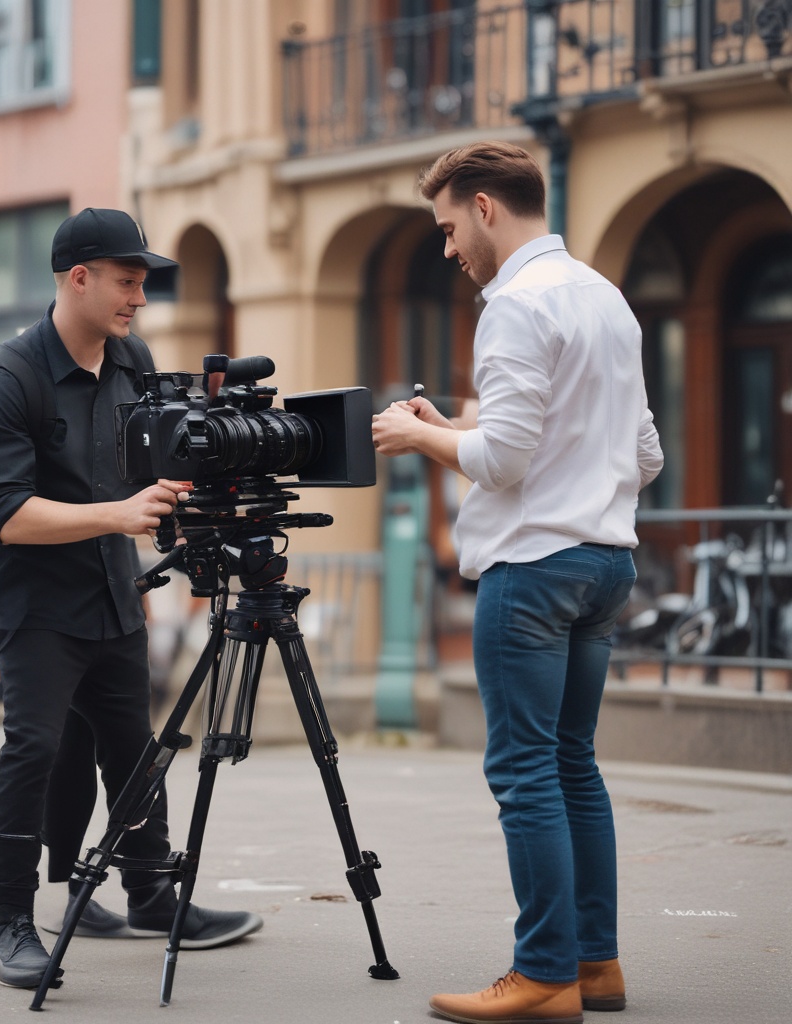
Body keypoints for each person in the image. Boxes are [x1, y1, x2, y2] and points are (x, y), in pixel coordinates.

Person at [372, 142, 663, 1024]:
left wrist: (416, 435)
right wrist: (456, 420)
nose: (450, 248)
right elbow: (643, 453)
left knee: (526, 771)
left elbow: (502, 461)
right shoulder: (605, 299)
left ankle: (543, 974)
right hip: (607, 564)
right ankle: (596, 964)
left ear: (487, 208)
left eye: (450, 227)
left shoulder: (512, 307)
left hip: (532, 572)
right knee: (574, 764)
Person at [0, 208, 261, 989]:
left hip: (118, 599)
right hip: (36, 609)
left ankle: (152, 895)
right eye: (128, 281)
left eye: (143, 283)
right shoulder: (6, 378)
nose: (140, 297)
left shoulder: (133, 359)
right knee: (35, 747)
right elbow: (8, 516)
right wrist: (117, 515)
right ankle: (13, 921)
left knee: (134, 747)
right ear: (79, 277)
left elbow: (148, 470)